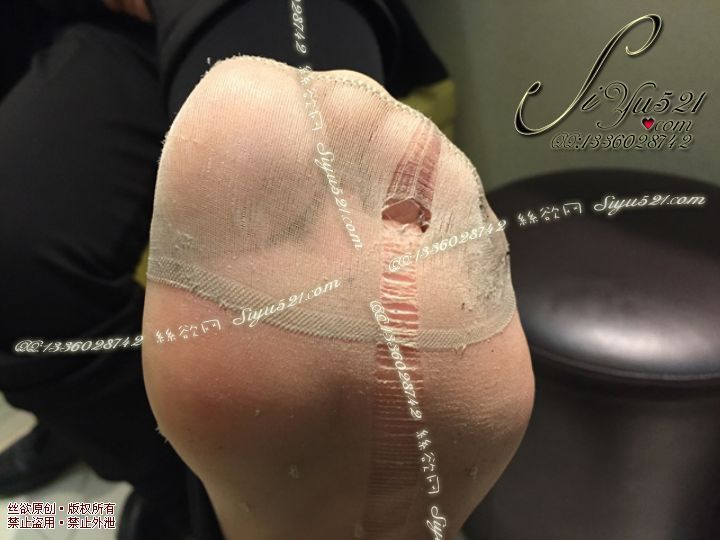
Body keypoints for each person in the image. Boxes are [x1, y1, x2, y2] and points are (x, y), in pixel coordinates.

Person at [3, 1, 524, 539]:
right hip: (103, 23)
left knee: (279, 156)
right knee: (19, 270)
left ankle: (261, 514)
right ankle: (207, 494)